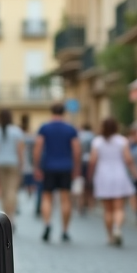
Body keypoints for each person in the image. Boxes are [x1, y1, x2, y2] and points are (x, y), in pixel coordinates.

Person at [33, 103, 81, 243]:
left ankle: (47, 224)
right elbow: (76, 150)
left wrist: (37, 166)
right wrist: (76, 167)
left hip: (49, 166)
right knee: (65, 199)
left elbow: (38, 148)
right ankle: (65, 231)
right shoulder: (70, 129)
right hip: (66, 167)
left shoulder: (45, 128)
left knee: (47, 197)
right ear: (64, 112)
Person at [88, 118, 137, 246]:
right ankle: (118, 228)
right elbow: (128, 159)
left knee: (108, 209)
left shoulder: (97, 141)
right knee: (119, 207)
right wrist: (135, 172)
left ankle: (110, 236)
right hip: (119, 174)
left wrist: (90, 174)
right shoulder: (122, 141)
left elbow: (93, 160)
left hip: (103, 175)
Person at [0, 109, 25, 220]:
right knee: (12, 190)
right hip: (13, 163)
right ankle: (11, 216)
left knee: (3, 190)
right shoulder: (17, 131)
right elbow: (20, 151)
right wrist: (22, 165)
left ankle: (5, 216)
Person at [77, 122, 96, 214]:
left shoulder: (80, 136)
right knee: (91, 185)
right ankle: (90, 205)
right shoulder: (93, 137)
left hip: (82, 162)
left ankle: (81, 204)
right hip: (92, 161)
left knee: (82, 184)